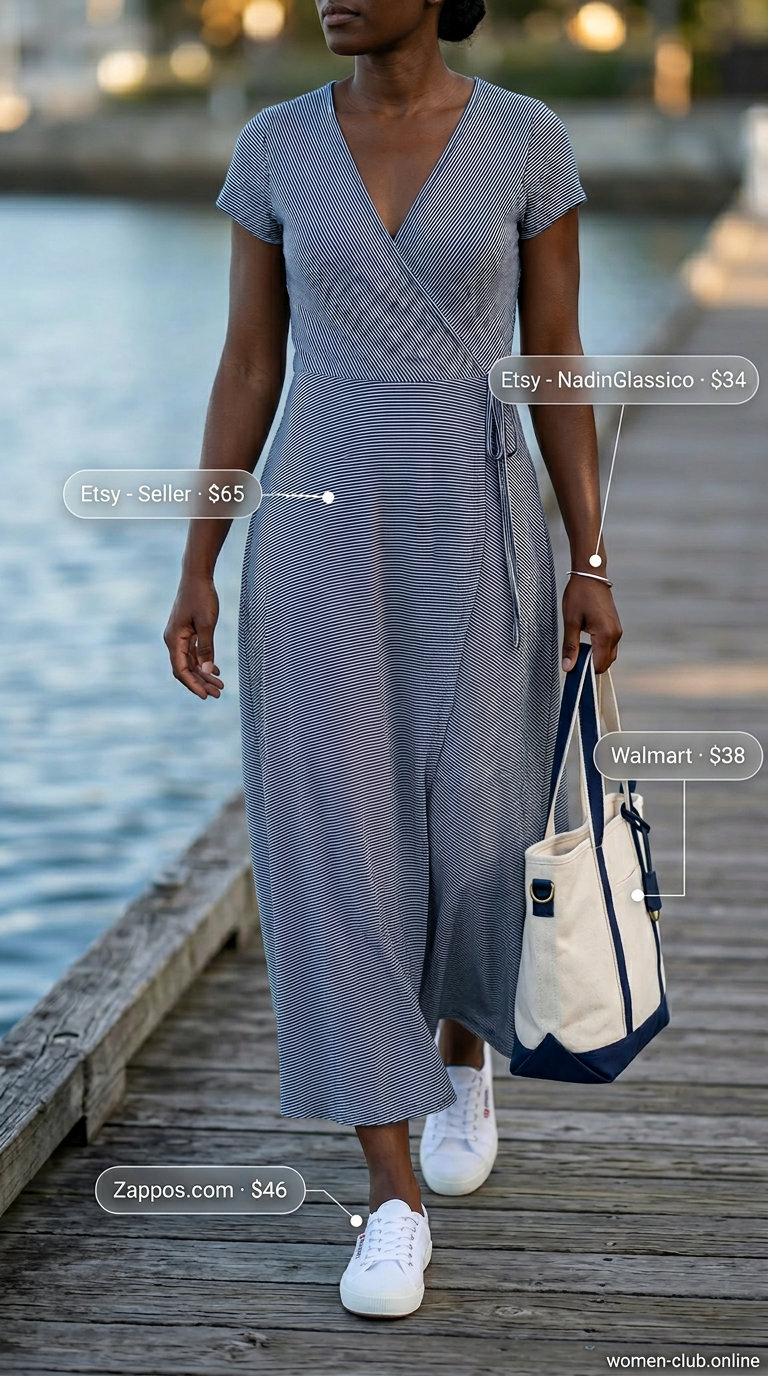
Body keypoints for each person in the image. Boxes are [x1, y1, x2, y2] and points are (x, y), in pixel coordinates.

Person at [164, 0, 622, 1320]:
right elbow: (251, 360)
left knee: (481, 823)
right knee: (332, 843)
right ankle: (390, 1199)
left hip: (478, 524)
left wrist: (592, 556)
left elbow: (555, 359)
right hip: (317, 528)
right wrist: (198, 557)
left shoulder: (528, 140)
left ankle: (462, 1051)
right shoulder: (273, 146)